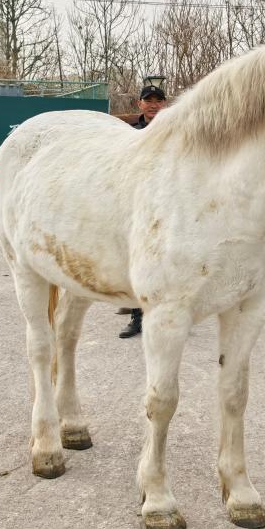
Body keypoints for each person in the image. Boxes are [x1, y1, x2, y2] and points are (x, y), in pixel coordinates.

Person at [118, 82, 168, 339]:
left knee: (167, 262)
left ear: (164, 104)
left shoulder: (173, 131)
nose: (153, 105)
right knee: (137, 261)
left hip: (166, 205)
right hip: (135, 206)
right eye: (149, 100)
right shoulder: (129, 133)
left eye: (158, 101)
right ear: (140, 104)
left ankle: (168, 316)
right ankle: (138, 317)